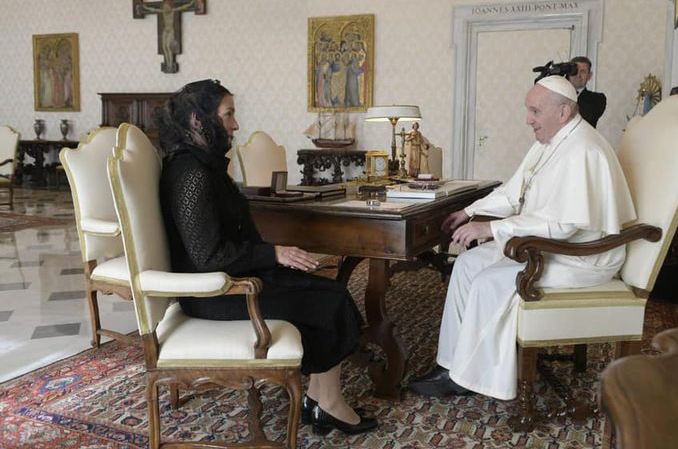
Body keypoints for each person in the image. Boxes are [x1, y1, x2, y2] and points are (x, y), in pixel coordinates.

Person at [156, 79, 377, 436]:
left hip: (231, 279)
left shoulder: (204, 165)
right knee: (329, 299)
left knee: (325, 290)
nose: (236, 124)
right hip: (214, 293)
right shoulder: (190, 173)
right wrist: (273, 253)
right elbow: (208, 255)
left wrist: (276, 257)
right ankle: (328, 404)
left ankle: (321, 400)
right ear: (199, 120)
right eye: (228, 115)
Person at [409, 75, 636, 400]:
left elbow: (563, 226)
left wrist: (492, 229)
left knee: (489, 282)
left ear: (563, 112)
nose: (528, 120)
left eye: (534, 111)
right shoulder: (550, 142)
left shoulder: (583, 149)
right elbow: (515, 190)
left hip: (582, 256)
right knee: (467, 265)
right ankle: (451, 366)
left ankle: (476, 378)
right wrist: (472, 212)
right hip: (550, 245)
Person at [567, 56, 606, 128]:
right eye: (575, 71)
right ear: (568, 74)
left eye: (583, 71)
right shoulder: (557, 94)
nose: (578, 75)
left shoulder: (598, 98)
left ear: (589, 76)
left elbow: (587, 117)